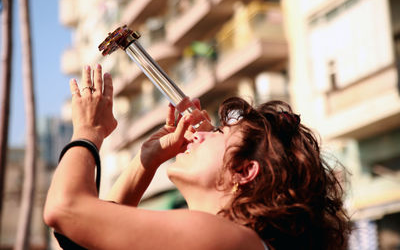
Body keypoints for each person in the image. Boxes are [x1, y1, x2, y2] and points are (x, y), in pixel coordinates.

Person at [44, 64, 351, 250]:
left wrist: (88, 131)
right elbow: (84, 238)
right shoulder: (229, 240)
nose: (197, 134)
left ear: (244, 171)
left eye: (218, 133)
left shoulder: (229, 239)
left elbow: (66, 210)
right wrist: (146, 161)